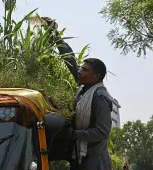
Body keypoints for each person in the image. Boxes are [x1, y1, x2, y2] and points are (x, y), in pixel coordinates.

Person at [40, 17, 113, 170]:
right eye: (81, 68)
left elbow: (102, 132)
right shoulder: (84, 88)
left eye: (85, 70)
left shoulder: (100, 97)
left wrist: (75, 134)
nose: (80, 71)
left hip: (94, 160)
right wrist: (54, 33)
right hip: (80, 157)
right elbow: (71, 61)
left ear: (97, 77)